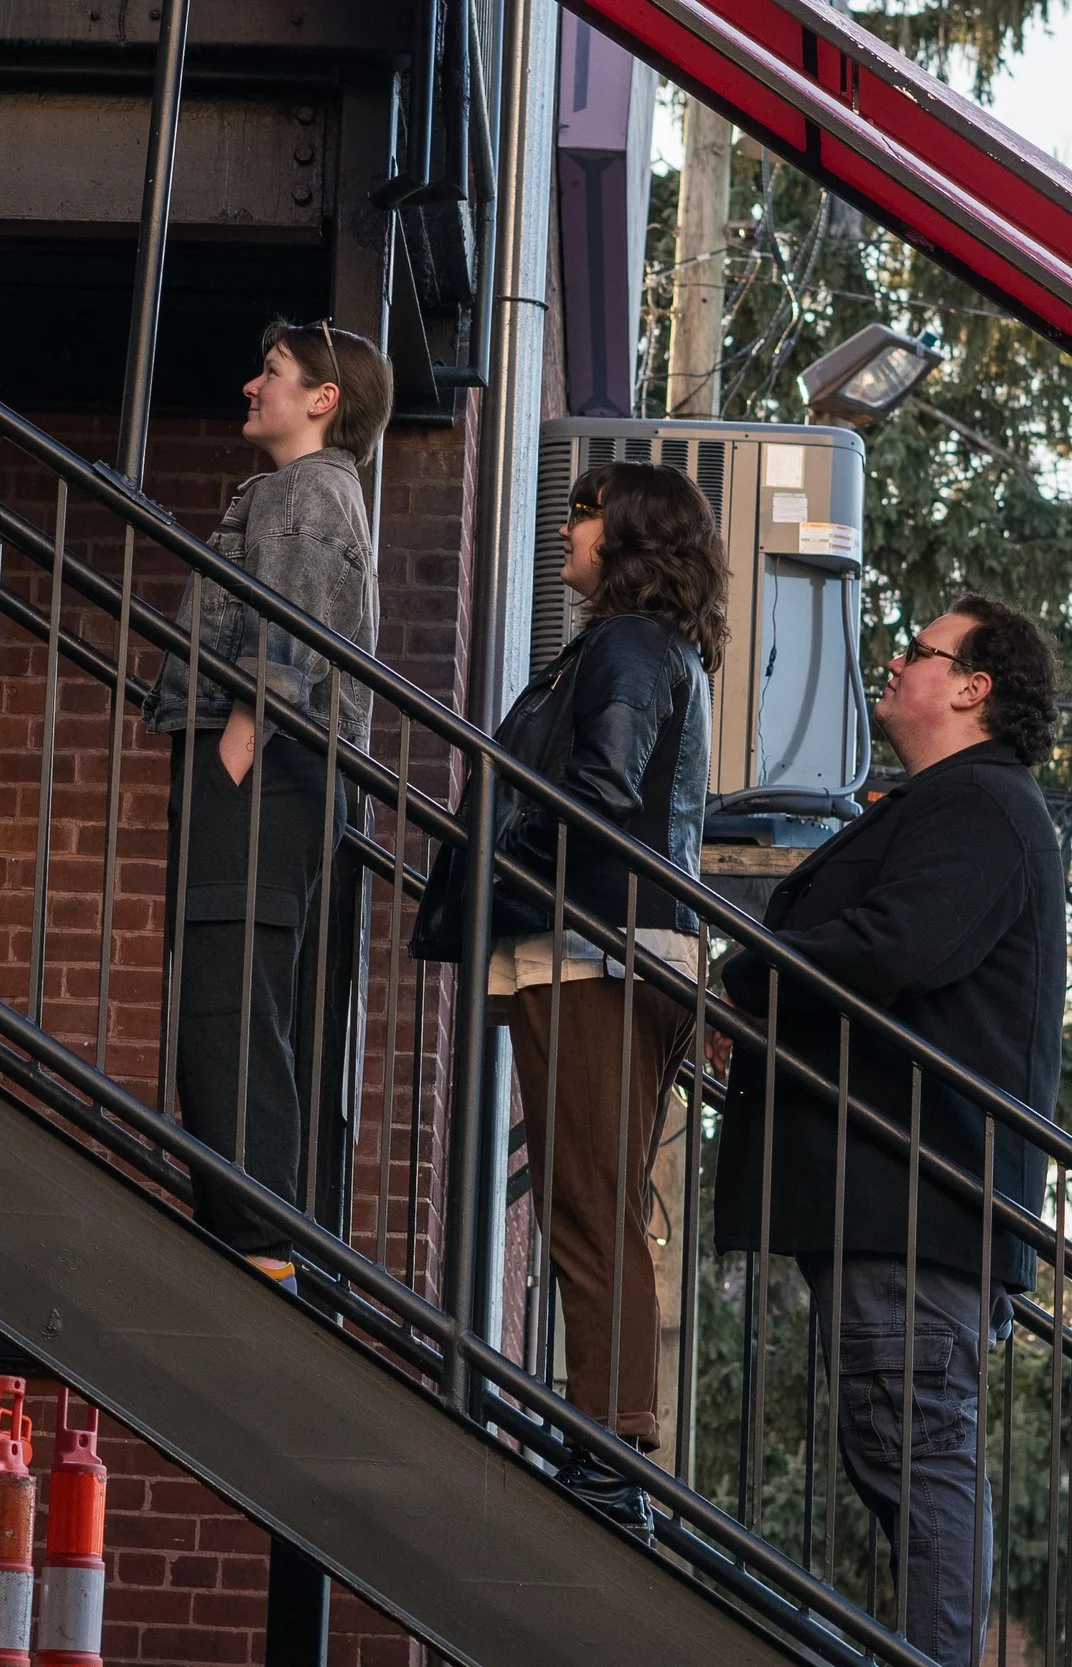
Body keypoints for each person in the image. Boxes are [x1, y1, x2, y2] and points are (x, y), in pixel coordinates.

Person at [713, 593, 1066, 1667]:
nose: (894, 662)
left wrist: (745, 973)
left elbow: (894, 943)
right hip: (898, 1200)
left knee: (915, 1455)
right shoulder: (955, 805)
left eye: (918, 650)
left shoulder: (982, 808)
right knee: (899, 1449)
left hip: (915, 1202)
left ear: (973, 687)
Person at [412, 462, 724, 1539]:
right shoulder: (629, 644)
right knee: (588, 1206)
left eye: (585, 511)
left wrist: (508, 860)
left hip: (598, 947)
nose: (567, 526)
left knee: (590, 1209)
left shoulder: (631, 645)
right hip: (598, 944)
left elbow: (598, 786)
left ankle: (609, 1453)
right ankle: (608, 1439)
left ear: (627, 534)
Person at [143, 319, 393, 1292]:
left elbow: (289, 649)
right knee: (237, 991)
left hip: (266, 766)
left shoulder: (306, 492)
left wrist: (234, 752)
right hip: (276, 770)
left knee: (229, 994)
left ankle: (255, 1238)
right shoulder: (305, 494)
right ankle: (252, 1230)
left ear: (323, 399)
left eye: (274, 372)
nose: (254, 384)